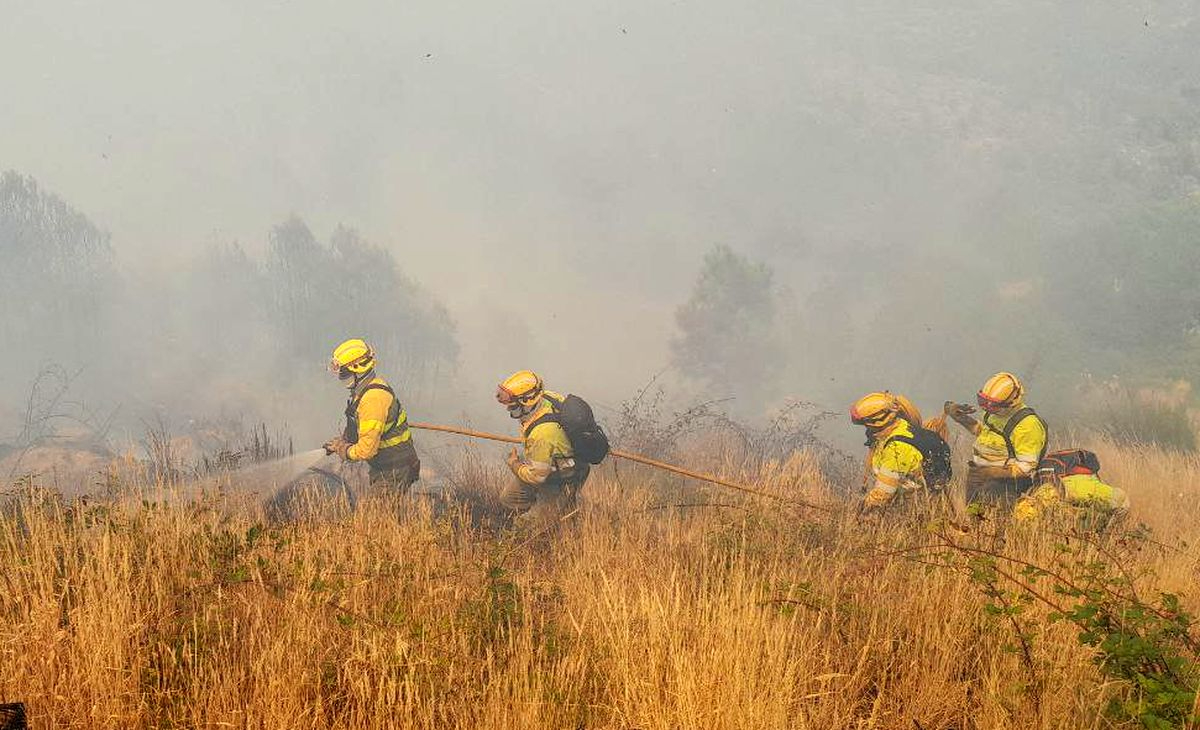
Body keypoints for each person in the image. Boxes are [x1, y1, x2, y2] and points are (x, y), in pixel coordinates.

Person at [322, 338, 420, 491]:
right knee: (382, 512)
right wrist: (342, 441)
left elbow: (366, 450)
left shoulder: (373, 399)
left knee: (380, 513)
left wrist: (343, 449)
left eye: (343, 371)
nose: (341, 375)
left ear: (357, 369)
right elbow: (362, 428)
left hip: (395, 470)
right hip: (387, 466)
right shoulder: (363, 392)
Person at [495, 370, 590, 524]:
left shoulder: (542, 434)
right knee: (508, 499)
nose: (509, 410)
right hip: (546, 464)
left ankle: (564, 508)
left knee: (525, 527)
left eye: (513, 407)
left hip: (561, 479)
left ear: (527, 402)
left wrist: (514, 464)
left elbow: (536, 477)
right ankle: (546, 507)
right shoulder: (545, 397)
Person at [945, 371, 1048, 509]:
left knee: (994, 522)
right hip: (979, 475)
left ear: (1011, 402)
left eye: (993, 405)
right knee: (973, 518)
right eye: (983, 401)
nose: (987, 408)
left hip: (1005, 485)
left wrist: (992, 472)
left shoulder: (1028, 425)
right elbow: (985, 434)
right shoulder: (996, 413)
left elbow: (1027, 467)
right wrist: (960, 418)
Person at [850, 391, 952, 510]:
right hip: (906, 499)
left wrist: (861, 509)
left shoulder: (897, 448)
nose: (867, 430)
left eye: (866, 425)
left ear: (876, 422)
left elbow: (883, 494)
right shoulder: (897, 428)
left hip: (916, 507)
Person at [1013, 449, 1129, 530]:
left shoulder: (1044, 483)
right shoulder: (1082, 483)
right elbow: (1121, 500)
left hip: (1057, 490)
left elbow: (1025, 514)